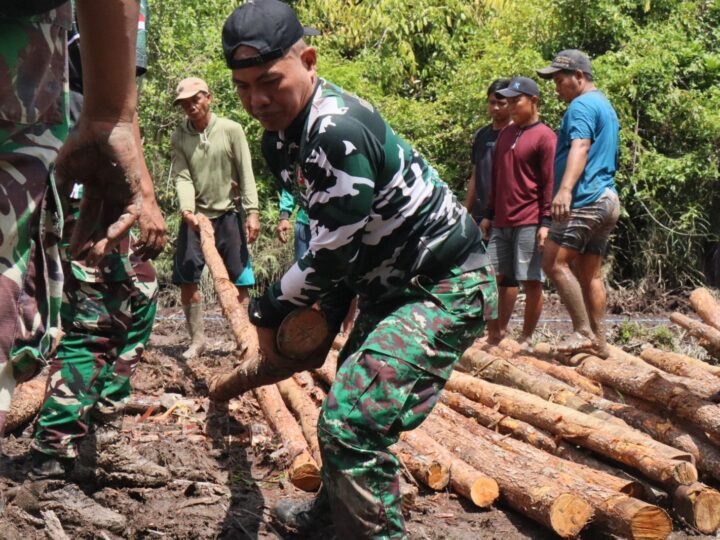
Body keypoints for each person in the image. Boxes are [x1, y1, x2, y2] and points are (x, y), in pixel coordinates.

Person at [222, 1, 498, 538]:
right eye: (242, 86)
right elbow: (335, 237)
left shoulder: (333, 130)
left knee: (352, 423)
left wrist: (267, 307)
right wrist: (320, 311)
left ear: (309, 59)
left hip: (443, 285)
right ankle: (330, 516)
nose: (257, 100)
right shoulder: (280, 140)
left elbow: (328, 251)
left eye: (270, 81)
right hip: (388, 288)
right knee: (348, 405)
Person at [0, 1, 161, 443]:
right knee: (95, 314)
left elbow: (116, 108)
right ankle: (57, 448)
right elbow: (112, 105)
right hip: (64, 164)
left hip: (60, 152)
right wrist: (142, 192)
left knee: (114, 305)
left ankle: (89, 442)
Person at [537, 50, 620, 357]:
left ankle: (583, 332)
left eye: (560, 80)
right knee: (589, 274)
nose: (556, 88)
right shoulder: (604, 105)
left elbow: (581, 146)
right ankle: (600, 342)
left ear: (579, 77)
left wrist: (565, 190)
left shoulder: (582, 105)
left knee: (553, 263)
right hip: (607, 198)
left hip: (585, 199)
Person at [171, 78, 261, 359]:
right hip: (195, 217)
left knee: (240, 279)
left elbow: (245, 173)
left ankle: (244, 338)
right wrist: (187, 211)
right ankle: (197, 340)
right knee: (188, 277)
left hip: (229, 214)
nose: (191, 107)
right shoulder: (180, 136)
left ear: (209, 97)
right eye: (185, 104)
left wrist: (253, 211)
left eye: (195, 100)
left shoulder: (231, 130)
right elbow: (182, 176)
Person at [480, 77, 556, 346]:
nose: (510, 106)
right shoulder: (505, 135)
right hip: (501, 220)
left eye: (516, 101)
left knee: (531, 280)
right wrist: (488, 213)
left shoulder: (546, 137)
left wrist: (546, 221)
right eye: (508, 101)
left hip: (530, 220)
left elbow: (550, 182)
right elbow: (497, 178)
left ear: (533, 101)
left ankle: (525, 338)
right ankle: (494, 333)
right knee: (489, 276)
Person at [465, 78, 520, 343]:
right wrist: (467, 212)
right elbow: (475, 175)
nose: (496, 108)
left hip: (508, 214)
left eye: (501, 103)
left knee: (506, 276)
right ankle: (485, 329)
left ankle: (499, 330)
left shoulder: (517, 135)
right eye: (492, 102)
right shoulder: (482, 136)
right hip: (480, 214)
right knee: (481, 272)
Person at [277, 188, 311, 263]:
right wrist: (284, 217)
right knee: (302, 269)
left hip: (338, 228)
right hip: (305, 225)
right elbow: (290, 185)